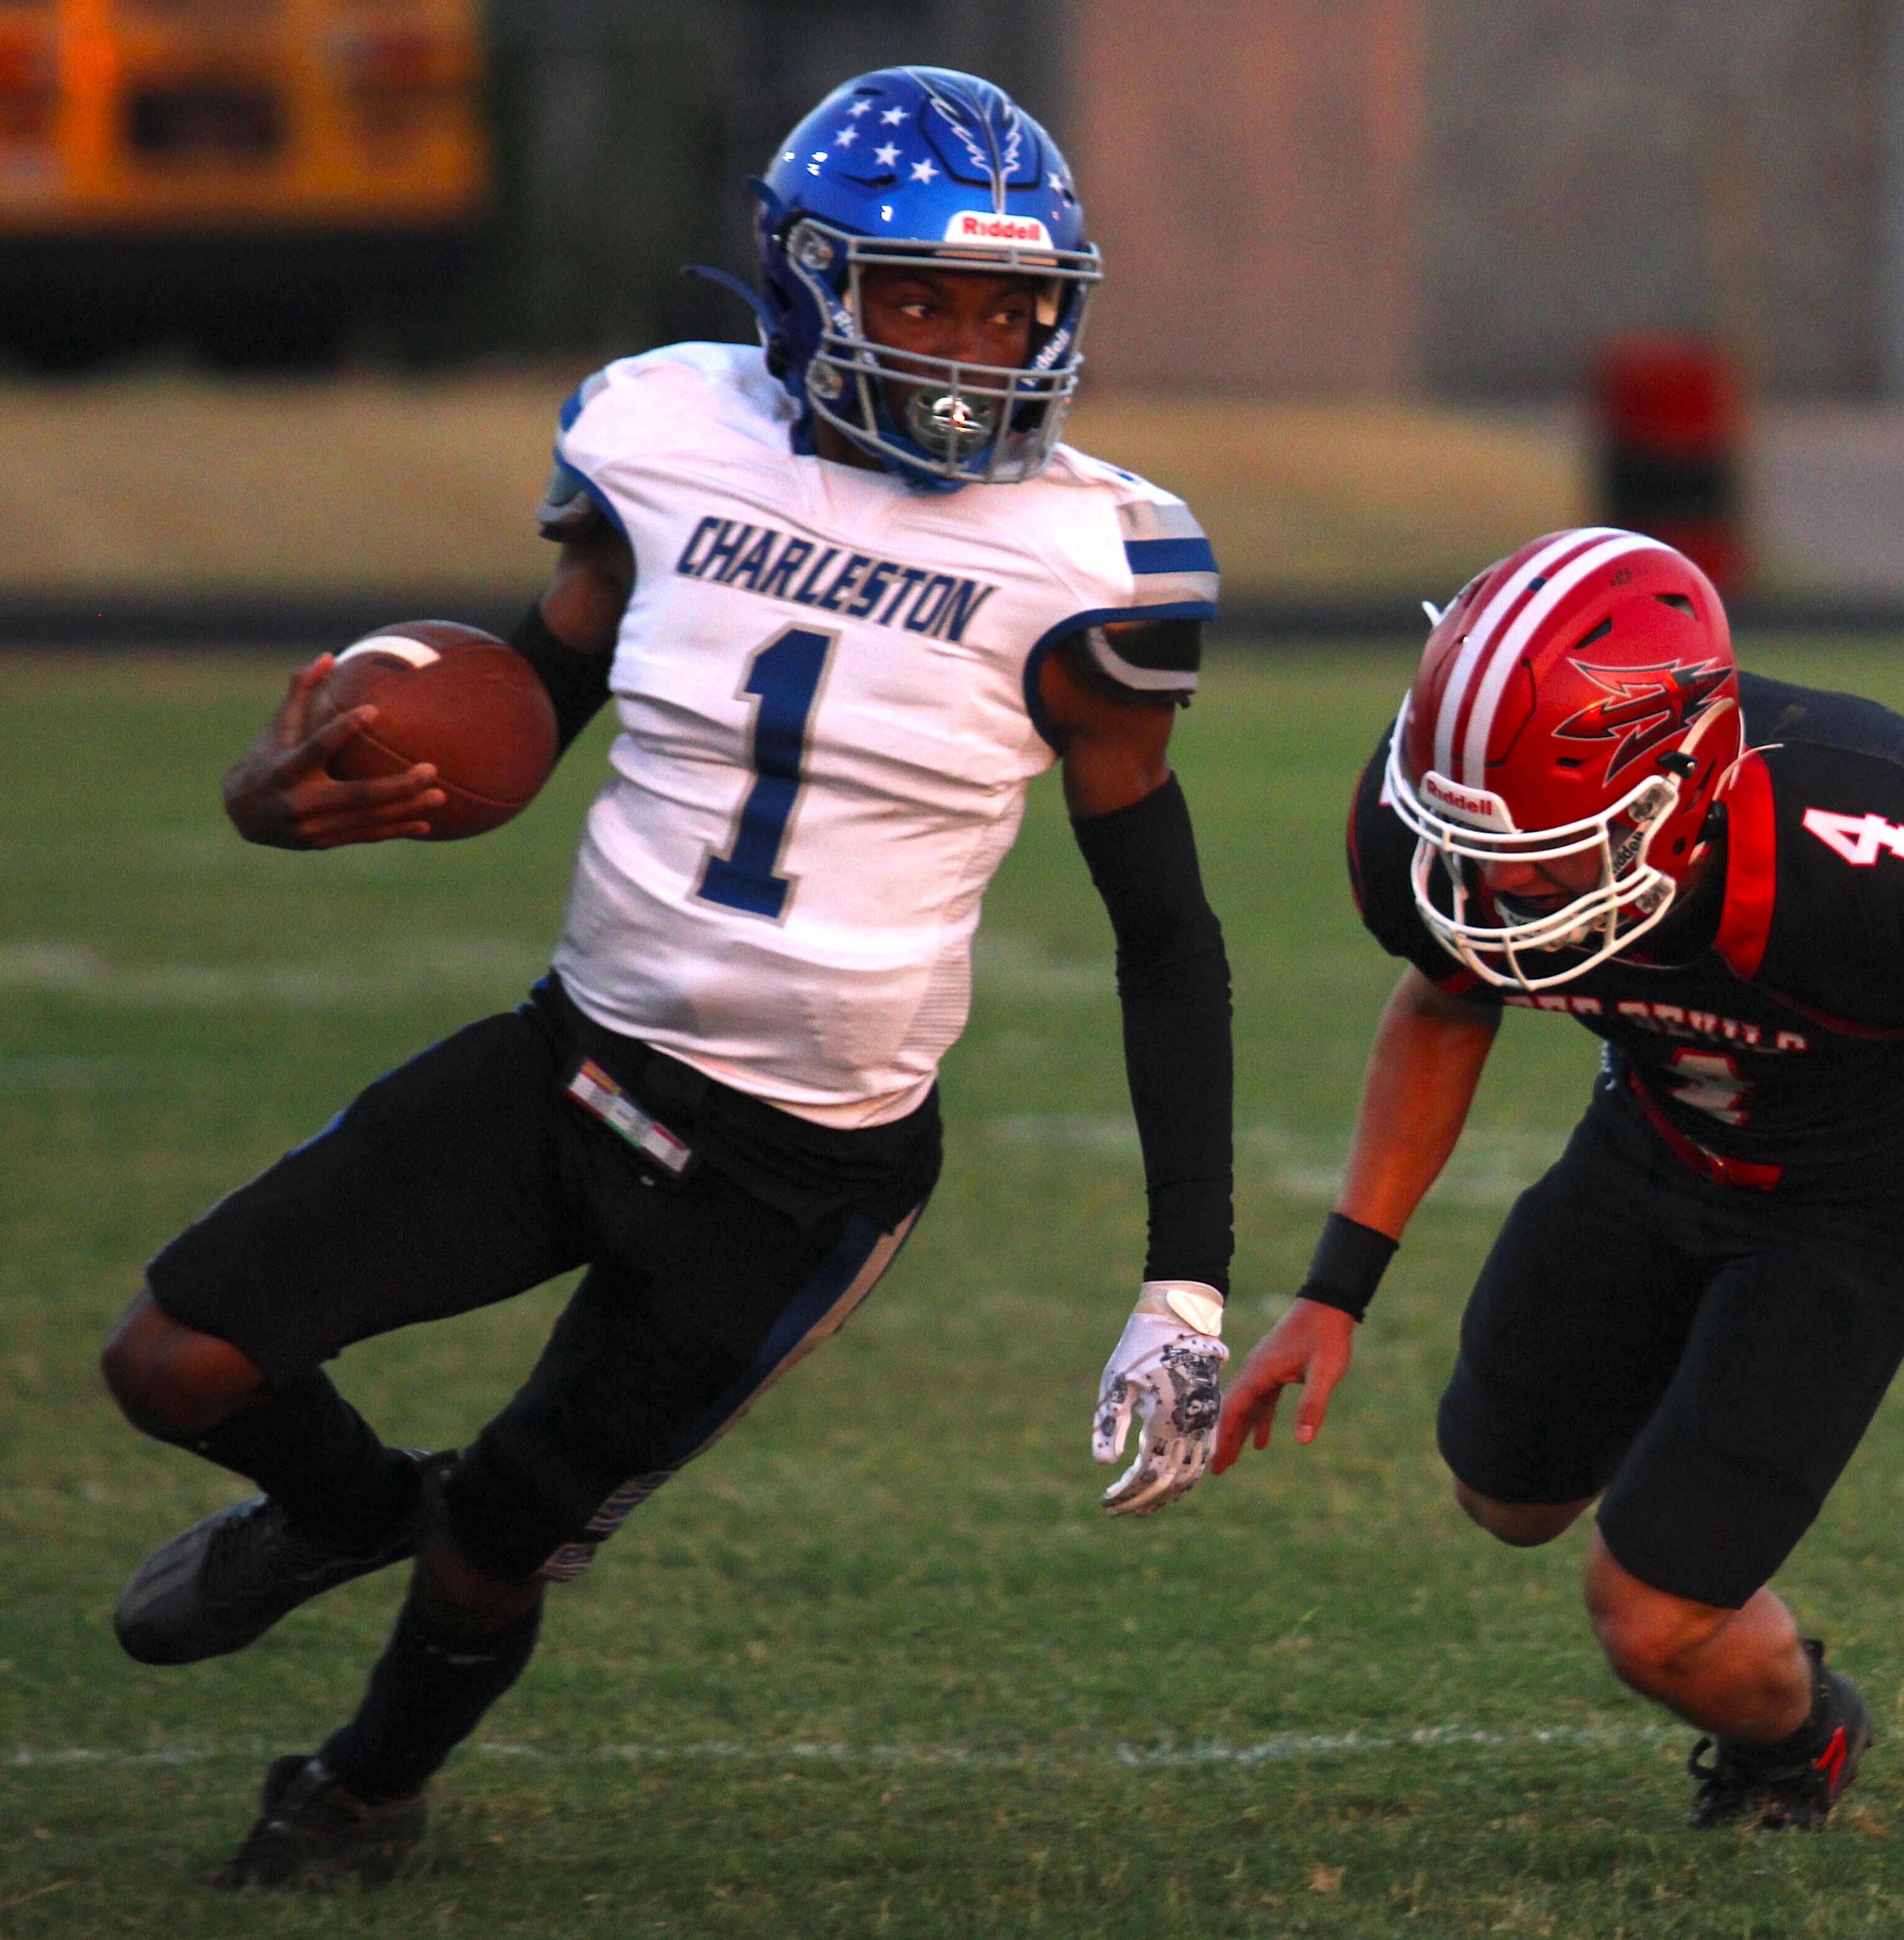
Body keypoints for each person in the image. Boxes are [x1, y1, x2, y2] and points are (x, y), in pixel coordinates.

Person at [97, 68, 1235, 1889]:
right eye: (917, 294)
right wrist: (308, 786)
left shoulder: (1097, 558)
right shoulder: (667, 429)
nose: (971, 344)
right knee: (172, 1356)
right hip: (579, 1060)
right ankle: (342, 1509)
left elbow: (1165, 934)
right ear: (804, 292)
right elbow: (544, 686)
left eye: (1012, 306)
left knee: (508, 1538)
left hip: (805, 1169)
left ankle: (361, 1792)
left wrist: (1185, 1274)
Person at [1215, 528, 1904, 1830]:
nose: (1493, 883)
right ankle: (1696, 1480)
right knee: (1505, 1490)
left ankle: (1799, 1739)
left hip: (1866, 1199)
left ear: (1672, 792)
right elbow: (1447, 1002)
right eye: (1466, 834)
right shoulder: (1454, 835)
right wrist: (1335, 1287)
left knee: (1651, 1621)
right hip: (1657, 1140)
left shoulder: (1881, 847)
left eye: (1538, 847)